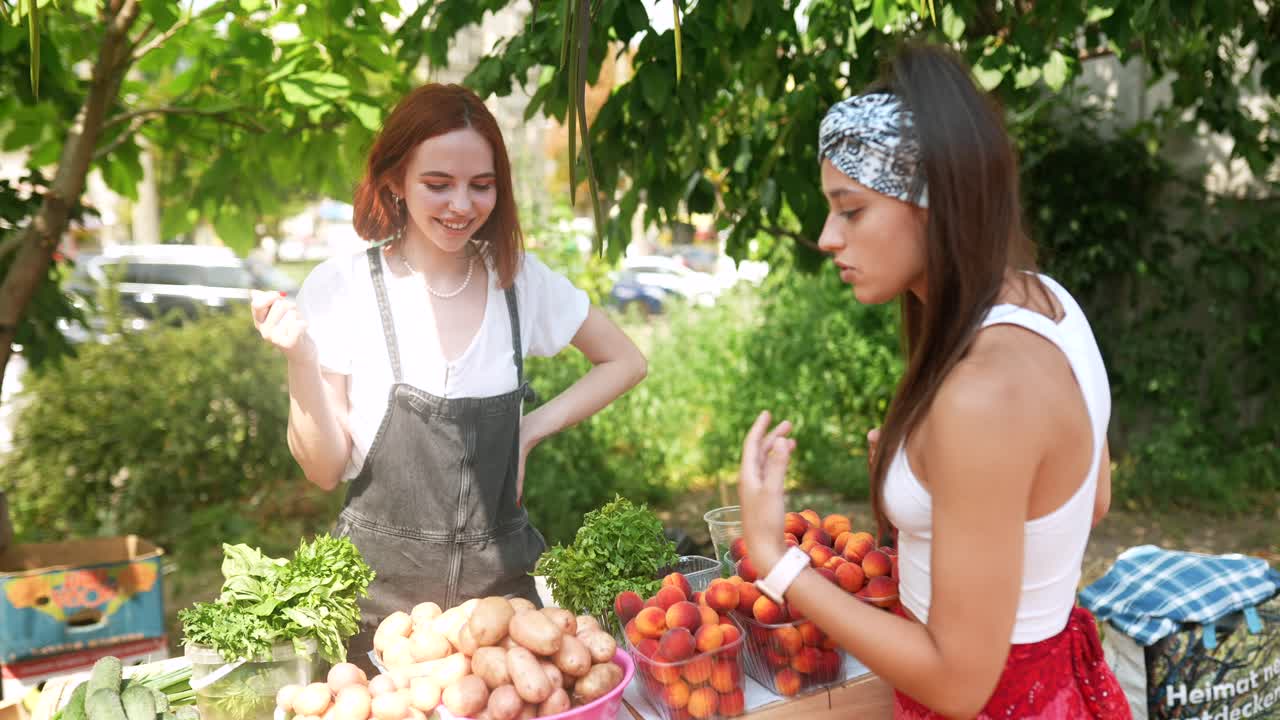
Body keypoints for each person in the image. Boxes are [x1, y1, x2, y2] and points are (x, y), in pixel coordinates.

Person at [736, 44, 1132, 719]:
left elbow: (958, 684)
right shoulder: (1047, 304)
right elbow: (1086, 500)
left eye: (851, 209)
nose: (828, 236)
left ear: (932, 204)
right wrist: (939, 494)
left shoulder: (980, 396)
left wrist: (776, 558)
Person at [250, 84, 647, 670]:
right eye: (438, 184)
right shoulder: (344, 289)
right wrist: (299, 360)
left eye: (480, 185)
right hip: (374, 621)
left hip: (503, 616)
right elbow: (323, 469)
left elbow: (626, 361)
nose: (461, 204)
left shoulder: (520, 282)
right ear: (395, 181)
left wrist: (530, 429)